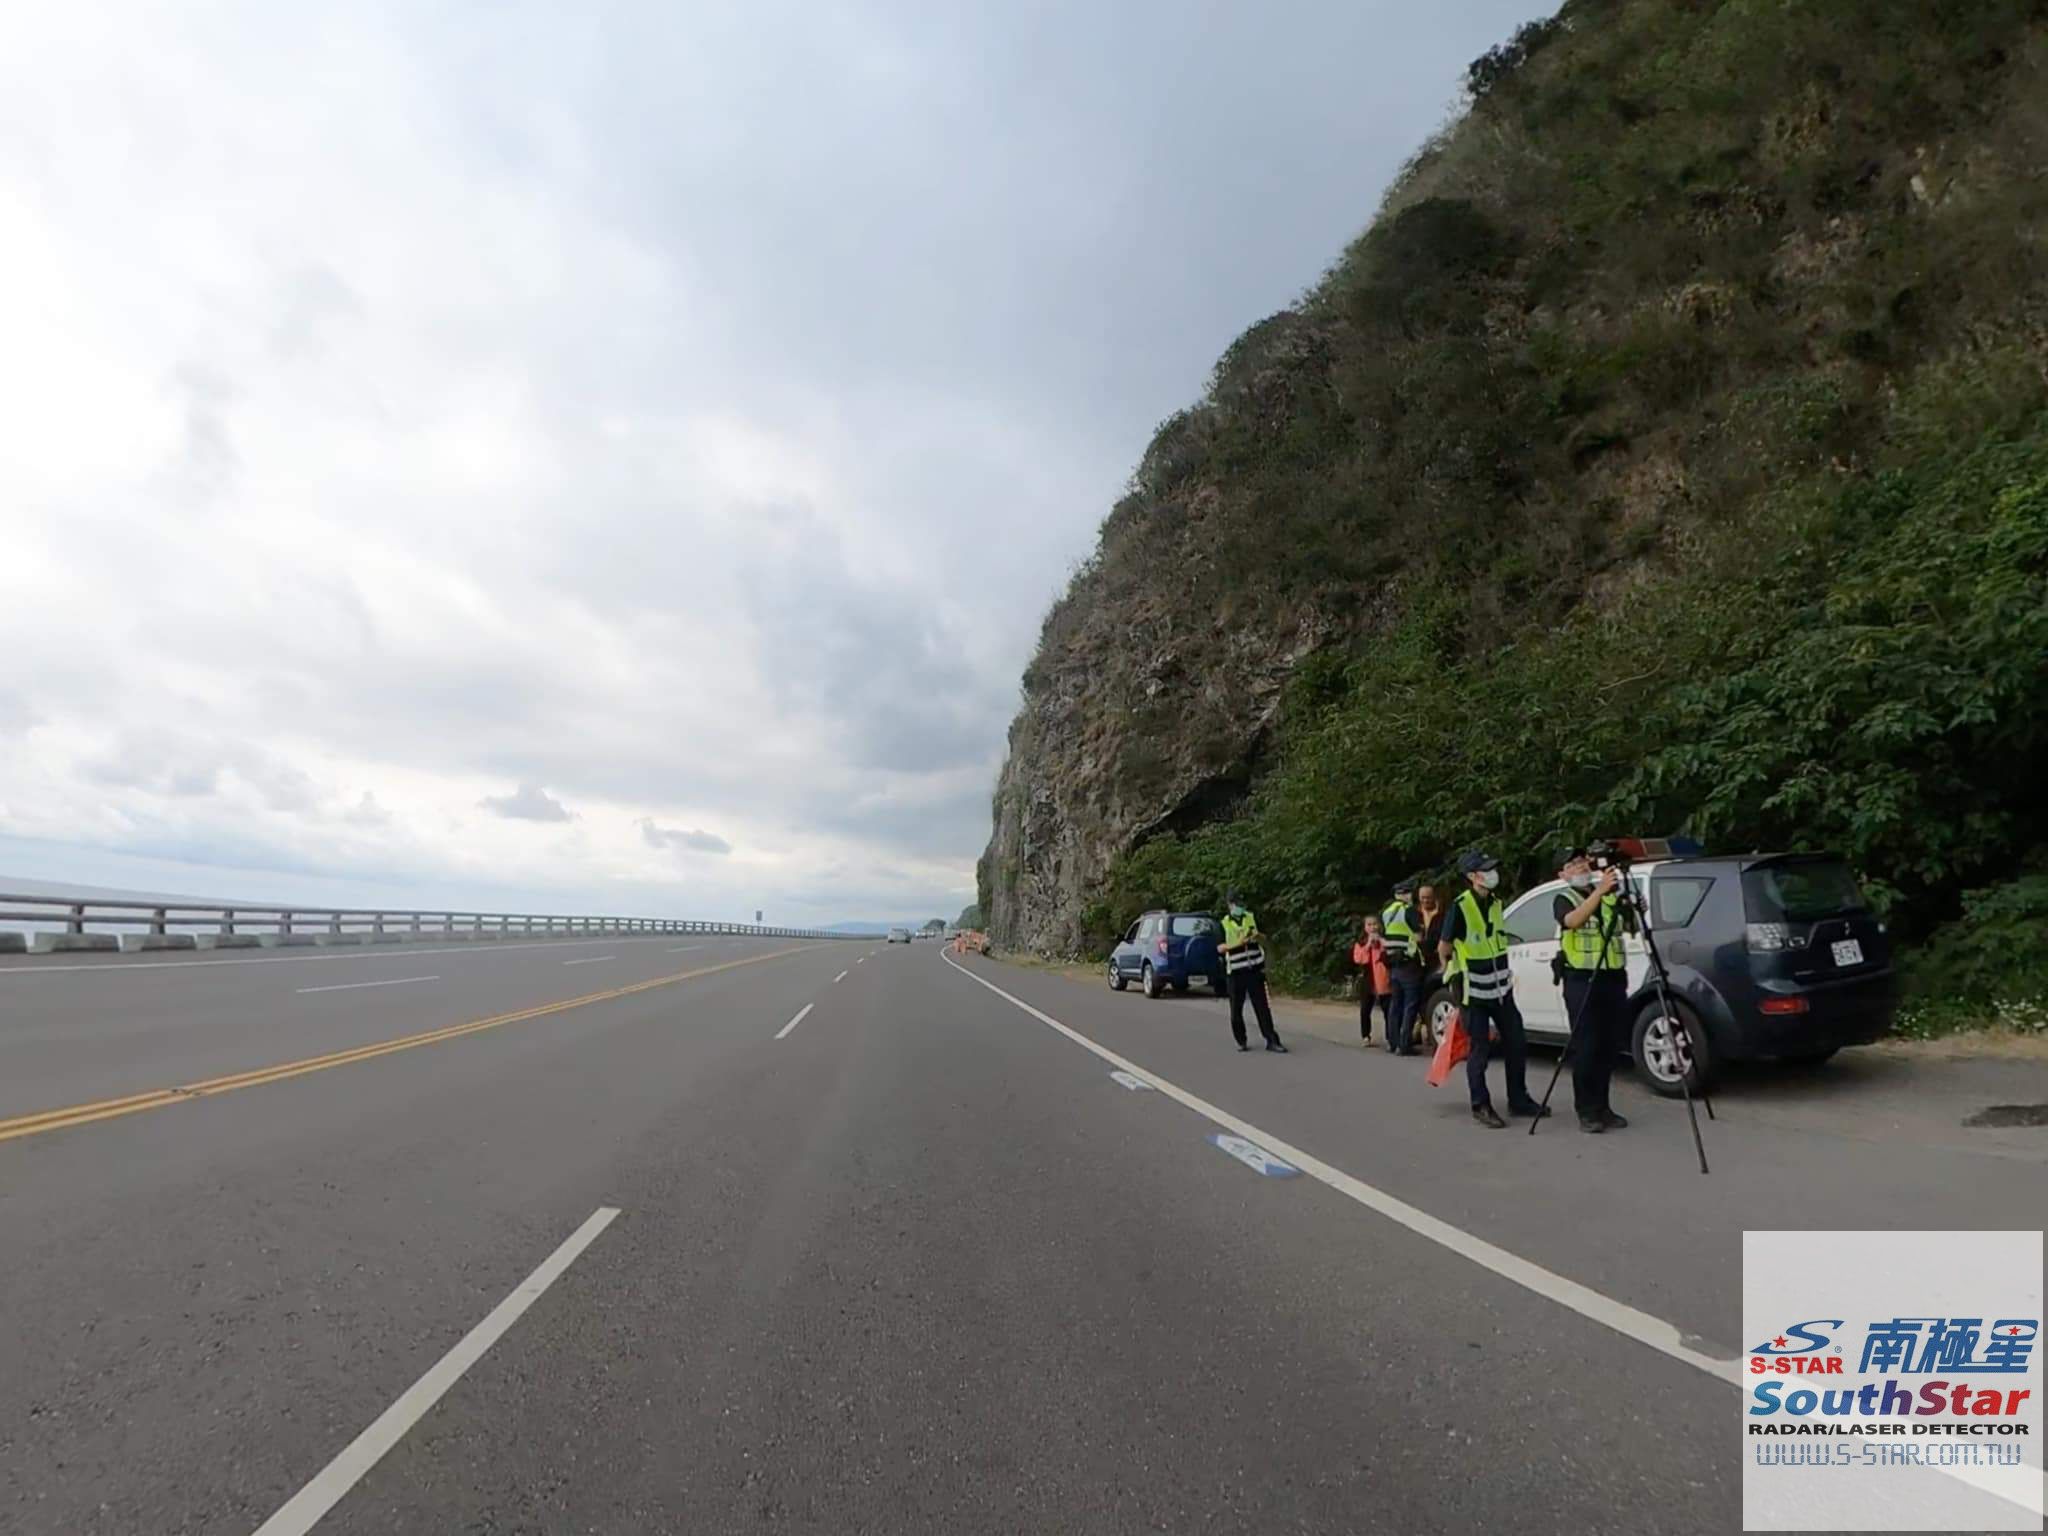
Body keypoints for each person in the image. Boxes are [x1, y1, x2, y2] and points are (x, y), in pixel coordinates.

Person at [1437, 852, 1548, 1128]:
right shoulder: (1460, 907)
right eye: (1486, 870)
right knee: (1480, 1049)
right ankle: (1481, 1105)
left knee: (1516, 1042)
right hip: (1473, 992)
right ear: (1472, 876)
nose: (1492, 874)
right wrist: (1453, 975)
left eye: (1492, 869)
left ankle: (1518, 1100)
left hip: (1500, 989)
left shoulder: (1496, 903)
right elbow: (1444, 948)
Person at [1554, 849, 1635, 1133]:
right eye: (1572, 865)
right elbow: (1572, 921)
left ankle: (1603, 1106)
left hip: (1612, 977)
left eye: (1582, 862)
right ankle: (1586, 1110)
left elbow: (1630, 929)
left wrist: (1631, 907)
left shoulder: (1609, 896)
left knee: (1608, 1046)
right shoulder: (1564, 898)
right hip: (1581, 979)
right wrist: (1600, 891)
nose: (1580, 867)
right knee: (1586, 1046)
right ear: (1563, 874)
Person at [1220, 891, 1286, 1053]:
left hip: (1254, 969)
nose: (1240, 907)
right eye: (1236, 904)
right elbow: (1220, 948)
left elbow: (1265, 938)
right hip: (1235, 972)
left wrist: (1257, 937)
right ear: (1230, 905)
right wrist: (1239, 943)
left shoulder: (1250, 918)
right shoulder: (1224, 923)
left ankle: (1272, 1040)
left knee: (1262, 1007)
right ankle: (1241, 1040)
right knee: (1236, 1009)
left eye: (1241, 903)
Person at [1380, 881, 1425, 1056]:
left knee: (1395, 1005)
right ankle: (1405, 1045)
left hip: (1393, 964)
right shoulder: (1408, 910)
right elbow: (1418, 937)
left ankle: (1393, 1043)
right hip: (1408, 962)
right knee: (1410, 1005)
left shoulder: (1386, 912)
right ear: (1406, 894)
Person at [1351, 913, 1391, 1043]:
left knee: (1388, 1010)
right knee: (1365, 1010)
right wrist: (1368, 944)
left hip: (1383, 979)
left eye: (1375, 924)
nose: (1372, 927)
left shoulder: (1384, 940)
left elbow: (1390, 953)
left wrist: (1381, 941)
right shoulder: (1361, 942)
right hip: (1368, 980)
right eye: (1369, 925)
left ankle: (1390, 1036)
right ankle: (1366, 1035)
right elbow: (1359, 959)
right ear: (1365, 927)